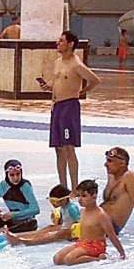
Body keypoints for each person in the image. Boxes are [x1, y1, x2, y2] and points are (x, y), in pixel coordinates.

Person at [47, 30, 101, 188]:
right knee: (58, 148)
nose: (58, 43)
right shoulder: (58, 62)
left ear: (70, 44)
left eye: (61, 41)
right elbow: (57, 82)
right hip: (57, 107)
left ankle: (75, 187)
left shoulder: (76, 64)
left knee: (68, 147)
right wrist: (49, 87)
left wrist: (82, 91)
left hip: (69, 108)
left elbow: (95, 80)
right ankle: (63, 186)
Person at [53, 179, 125, 265]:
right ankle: (87, 255)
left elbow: (112, 236)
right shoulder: (83, 211)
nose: (80, 199)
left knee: (69, 260)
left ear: (94, 196)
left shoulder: (101, 215)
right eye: (78, 196)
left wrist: (122, 253)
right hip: (82, 243)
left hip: (95, 246)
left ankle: (98, 258)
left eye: (84, 196)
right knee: (57, 259)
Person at [4, 184, 81, 247]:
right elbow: (63, 221)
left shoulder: (71, 208)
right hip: (65, 227)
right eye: (51, 201)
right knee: (48, 228)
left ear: (64, 200)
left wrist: (76, 236)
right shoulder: (63, 207)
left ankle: (24, 241)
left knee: (51, 234)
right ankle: (17, 235)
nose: (53, 204)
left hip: (69, 231)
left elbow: (79, 222)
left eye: (54, 201)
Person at [101, 147, 134, 237]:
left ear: (122, 163)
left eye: (110, 161)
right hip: (97, 220)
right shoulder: (112, 175)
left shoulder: (131, 178)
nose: (105, 164)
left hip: (108, 226)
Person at [0, 159, 39, 233]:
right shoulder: (3, 186)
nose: (15, 178)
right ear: (7, 175)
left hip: (27, 221)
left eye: (18, 174)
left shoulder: (25, 186)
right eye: (12, 175)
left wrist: (14, 214)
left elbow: (35, 209)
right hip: (12, 220)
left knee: (32, 223)